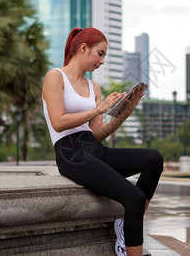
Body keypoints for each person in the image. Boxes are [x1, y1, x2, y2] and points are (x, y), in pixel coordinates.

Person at [42, 27, 163, 256]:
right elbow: (58, 122)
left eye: (105, 55)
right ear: (83, 48)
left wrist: (125, 111)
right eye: (101, 53)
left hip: (94, 148)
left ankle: (126, 229)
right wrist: (98, 109)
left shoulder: (93, 87)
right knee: (134, 197)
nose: (103, 61)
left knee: (153, 159)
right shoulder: (55, 77)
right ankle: (130, 244)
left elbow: (98, 133)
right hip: (70, 153)